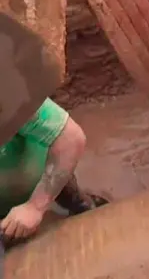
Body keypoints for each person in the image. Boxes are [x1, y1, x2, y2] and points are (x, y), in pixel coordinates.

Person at [0, 98, 97, 243]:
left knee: (80, 204)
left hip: (46, 174)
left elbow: (71, 139)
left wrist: (35, 207)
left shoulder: (8, 95)